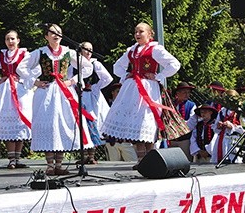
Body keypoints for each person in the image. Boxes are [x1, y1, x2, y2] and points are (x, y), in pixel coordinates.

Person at [100, 22, 181, 167]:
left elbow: (174, 64)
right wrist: (126, 74)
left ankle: (149, 162)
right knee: (136, 127)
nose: (137, 34)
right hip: (132, 90)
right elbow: (117, 66)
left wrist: (158, 76)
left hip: (148, 89)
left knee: (146, 123)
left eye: (141, 32)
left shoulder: (155, 49)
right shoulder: (131, 50)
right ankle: (142, 162)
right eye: (136, 32)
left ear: (149, 34)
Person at [18, 24, 94, 176]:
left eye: (58, 33)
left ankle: (59, 164)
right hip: (46, 93)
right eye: (52, 33)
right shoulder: (40, 52)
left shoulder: (68, 52)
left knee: (62, 125)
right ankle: (50, 165)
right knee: (49, 125)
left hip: (64, 93)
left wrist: (72, 81)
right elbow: (21, 67)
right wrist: (35, 82)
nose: (55, 35)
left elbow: (87, 68)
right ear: (46, 36)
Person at [0, 30, 33, 169]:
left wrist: (24, 80)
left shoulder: (25, 55)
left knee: (19, 123)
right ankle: (11, 158)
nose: (10, 42)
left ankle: (17, 158)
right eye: (7, 39)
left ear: (18, 40)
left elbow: (36, 69)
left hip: (20, 91)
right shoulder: (1, 56)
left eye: (12, 39)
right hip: (5, 92)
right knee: (8, 123)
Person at [75, 41, 112, 164]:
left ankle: (91, 155)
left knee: (92, 123)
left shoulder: (95, 64)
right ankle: (84, 155)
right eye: (86, 49)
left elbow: (107, 78)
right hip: (78, 96)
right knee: (81, 125)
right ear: (80, 51)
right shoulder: (74, 64)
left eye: (91, 49)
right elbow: (69, 78)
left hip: (91, 97)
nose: (88, 52)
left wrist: (96, 87)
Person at [104, 83, 139, 162]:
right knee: (112, 166)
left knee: (133, 162)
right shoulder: (106, 105)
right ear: (113, 92)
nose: (120, 94)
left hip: (126, 142)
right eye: (118, 91)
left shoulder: (129, 107)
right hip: (111, 142)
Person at [209, 89, 244, 164]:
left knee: (234, 161)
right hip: (221, 140)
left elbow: (243, 130)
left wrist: (232, 127)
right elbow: (215, 128)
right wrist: (218, 126)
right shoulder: (222, 111)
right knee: (219, 160)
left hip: (234, 141)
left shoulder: (240, 112)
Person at [169, 81, 197, 161]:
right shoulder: (171, 104)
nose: (187, 95)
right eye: (184, 92)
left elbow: (192, 122)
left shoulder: (191, 105)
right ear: (178, 93)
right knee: (173, 160)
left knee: (186, 159)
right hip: (173, 138)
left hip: (185, 139)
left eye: (188, 93)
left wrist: (179, 127)